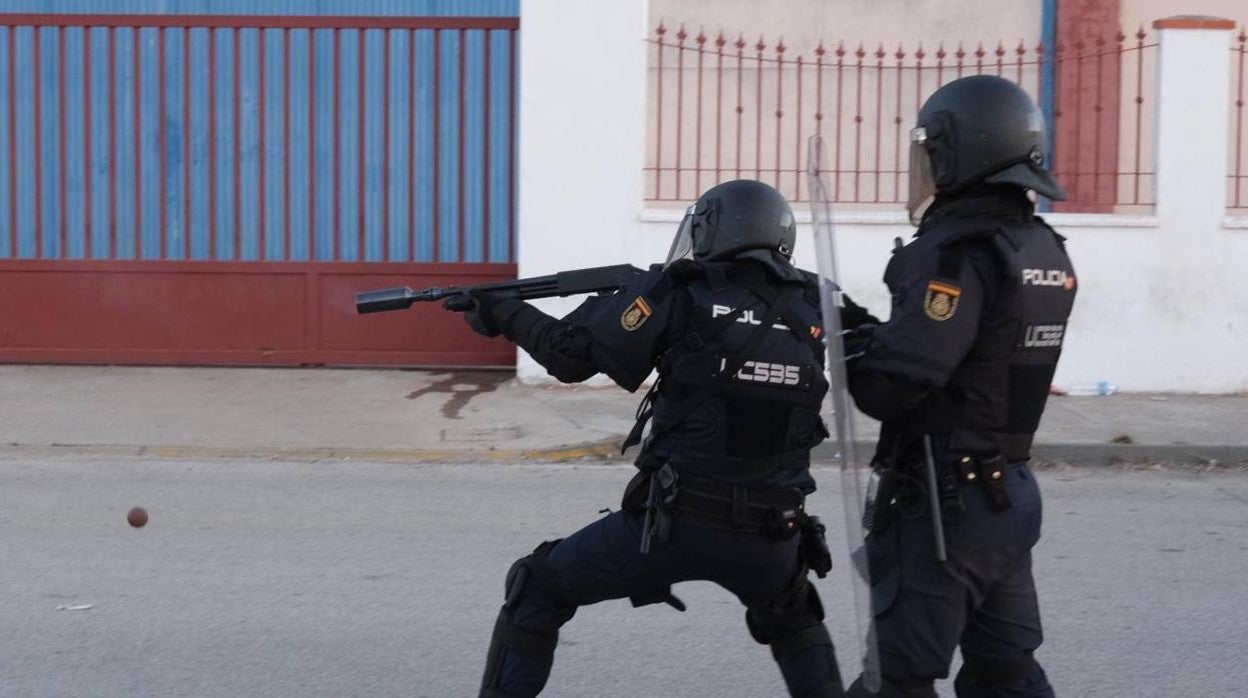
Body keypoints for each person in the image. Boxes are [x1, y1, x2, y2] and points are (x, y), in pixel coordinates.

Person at [448, 179, 846, 697]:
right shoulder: (818, 307)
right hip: (772, 535)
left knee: (537, 586)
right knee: (795, 617)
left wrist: (503, 311)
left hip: (674, 526)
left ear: (711, 230)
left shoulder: (679, 291)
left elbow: (568, 356)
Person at [840, 75, 1076, 697]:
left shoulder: (957, 252)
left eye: (932, 153)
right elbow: (975, 355)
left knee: (898, 677)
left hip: (947, 505)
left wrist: (847, 350)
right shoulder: (1038, 248)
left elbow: (897, 382)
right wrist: (861, 326)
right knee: (1005, 671)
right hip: (1007, 491)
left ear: (959, 152)